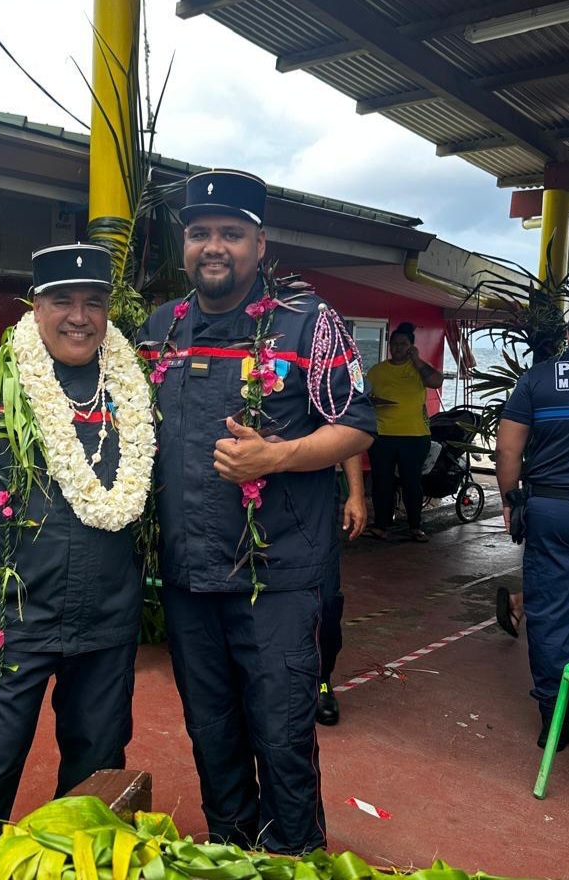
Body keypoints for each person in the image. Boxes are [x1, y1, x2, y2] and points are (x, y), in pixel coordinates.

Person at [140, 169, 375, 855]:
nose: (214, 247)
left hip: (277, 576)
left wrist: (276, 456)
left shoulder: (310, 323)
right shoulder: (160, 329)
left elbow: (356, 426)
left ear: (259, 244)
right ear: (185, 245)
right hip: (189, 577)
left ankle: (293, 859)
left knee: (282, 734)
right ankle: (230, 853)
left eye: (231, 234)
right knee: (211, 732)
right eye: (199, 233)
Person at [0, 244, 155, 880]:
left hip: (107, 621)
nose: (79, 316)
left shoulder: (134, 387)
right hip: (18, 619)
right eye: (62, 301)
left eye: (93, 303)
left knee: (97, 772)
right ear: (35, 306)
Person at [495, 301, 569, 751]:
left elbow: (508, 449)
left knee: (549, 615)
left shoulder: (538, 378)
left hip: (551, 511)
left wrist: (510, 500)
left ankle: (555, 720)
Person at [365, 322, 443, 542]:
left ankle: (415, 526)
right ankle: (381, 525)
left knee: (411, 482)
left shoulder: (419, 368)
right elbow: (365, 395)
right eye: (394, 343)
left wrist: (416, 359)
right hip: (382, 434)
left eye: (403, 344)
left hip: (414, 436)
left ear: (411, 346)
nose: (397, 347)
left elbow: (436, 381)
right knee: (382, 482)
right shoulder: (377, 370)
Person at [317, 455, 368, 726]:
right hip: (256, 494)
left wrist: (356, 493)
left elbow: (348, 435)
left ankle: (321, 681)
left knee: (325, 599)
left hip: (315, 494)